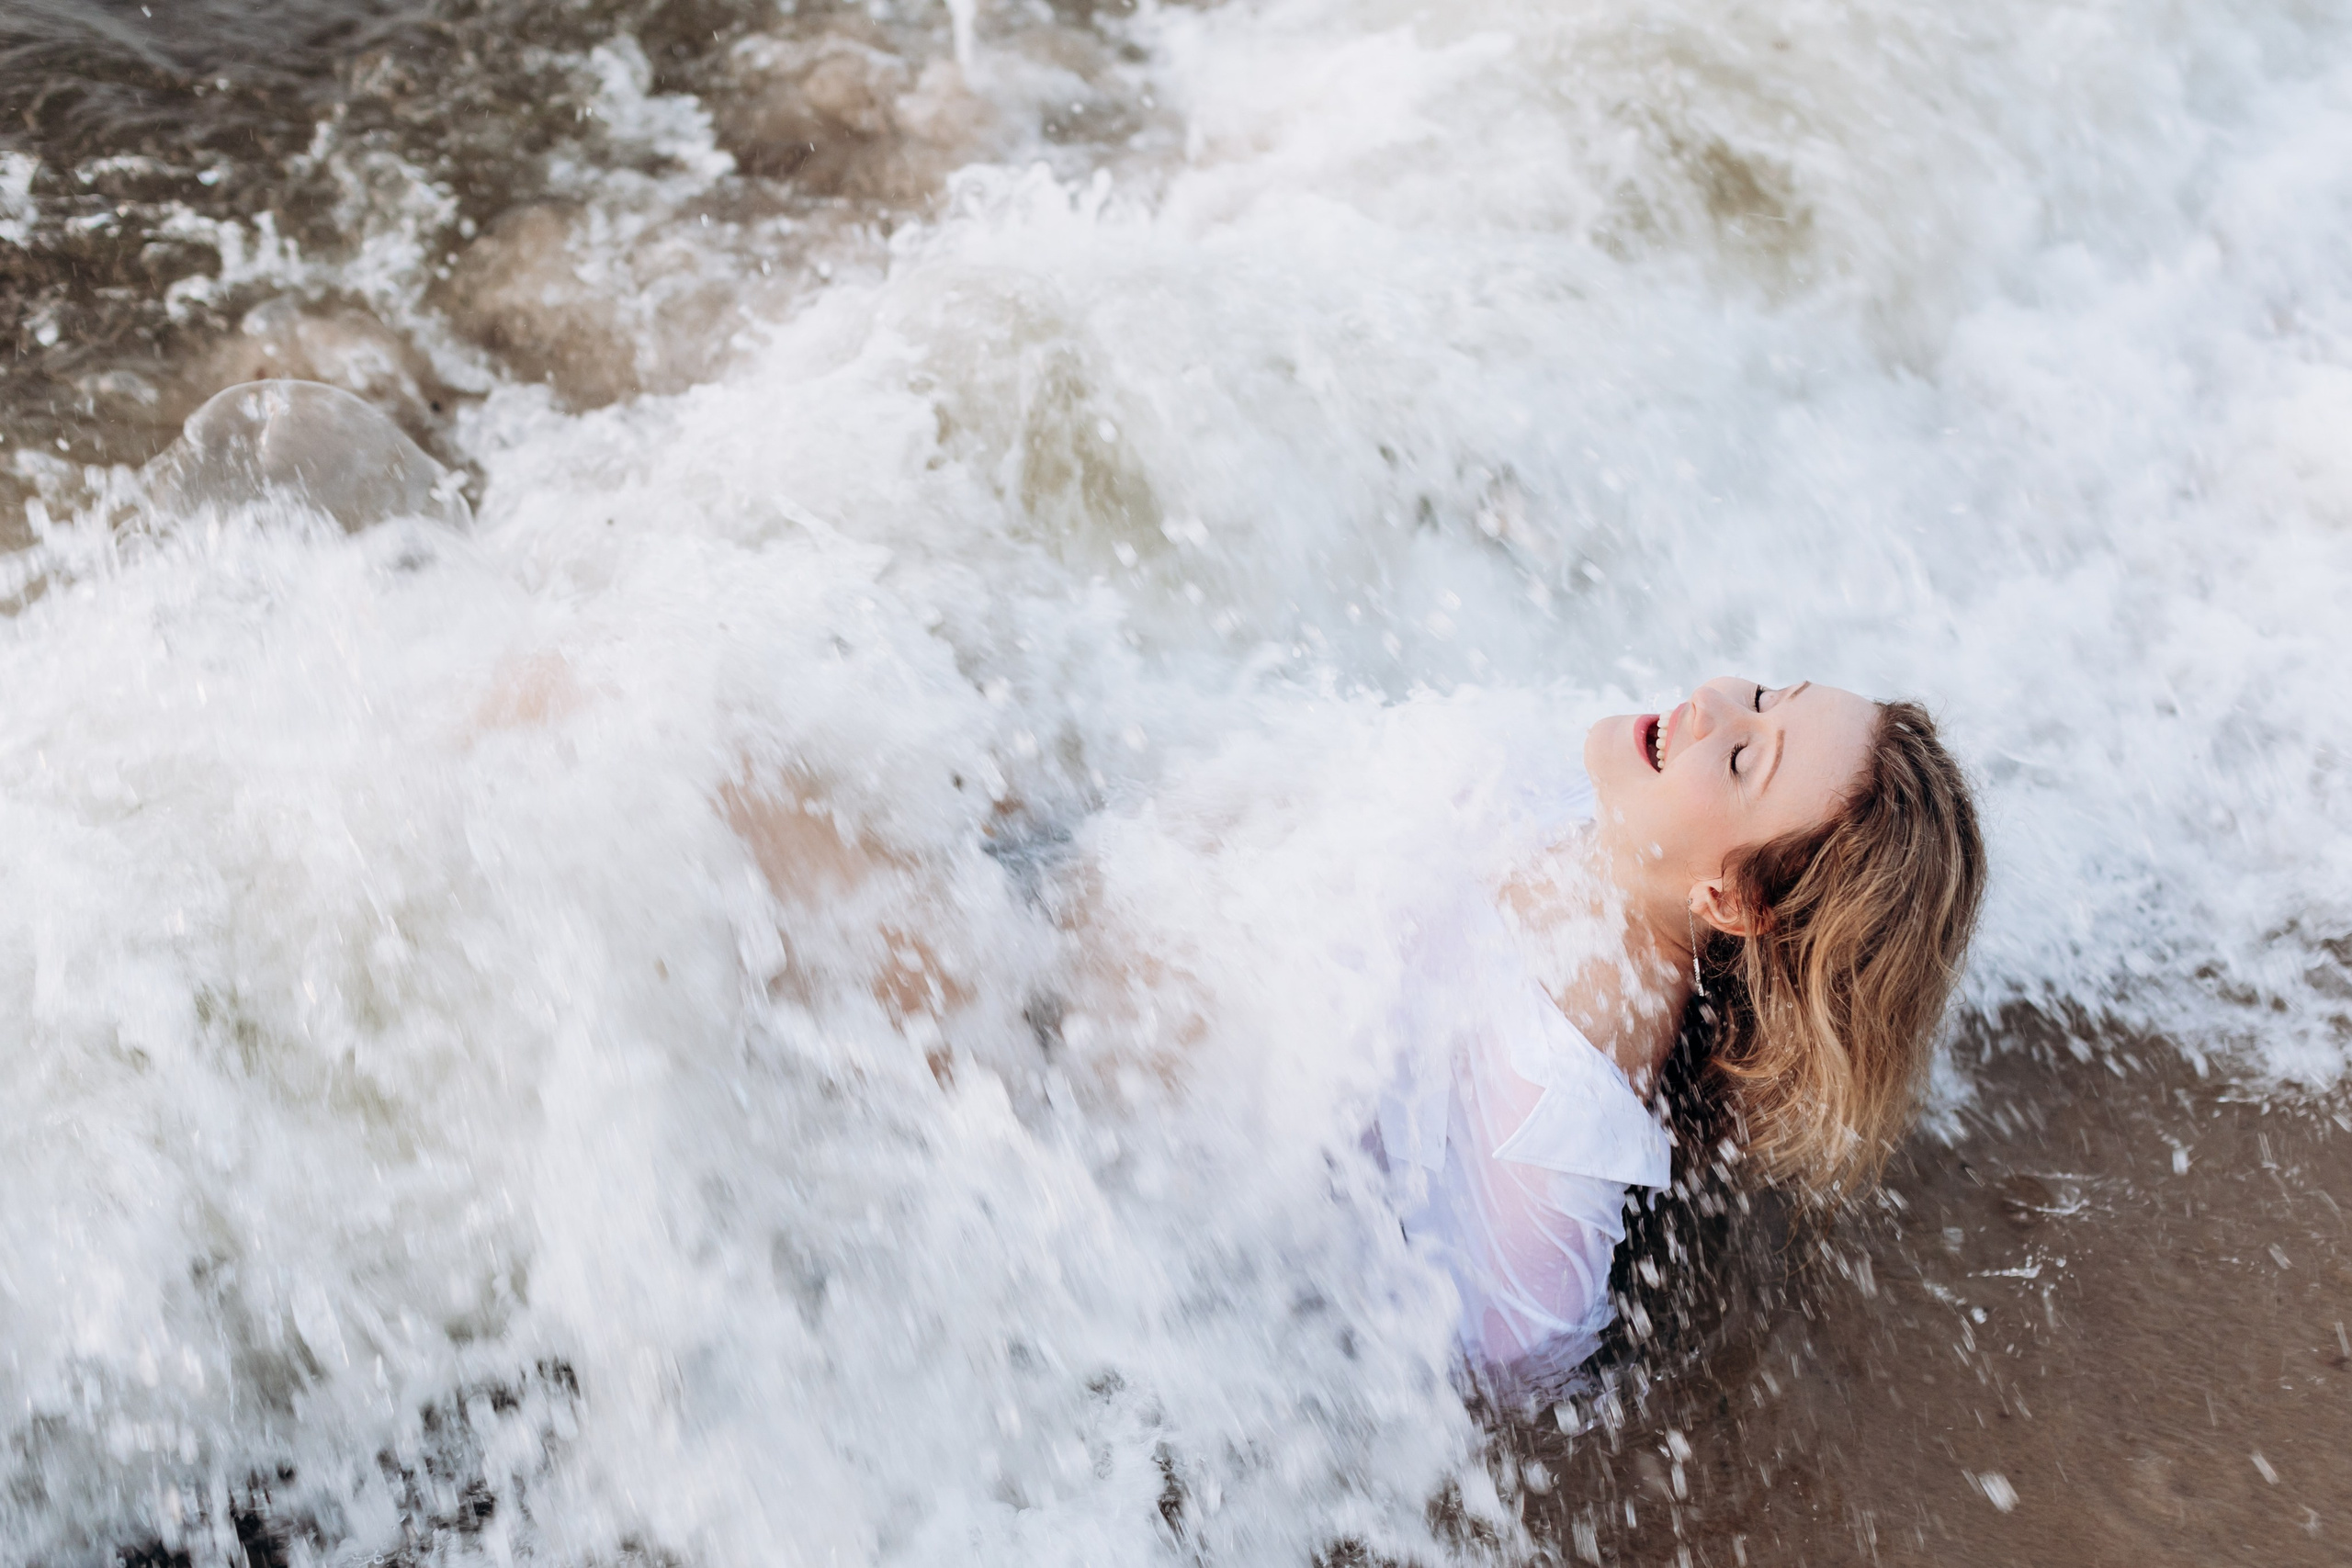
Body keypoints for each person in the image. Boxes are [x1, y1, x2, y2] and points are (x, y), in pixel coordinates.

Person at [1365, 679, 1985, 1392]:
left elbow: (1495, 1385)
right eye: (1763, 692)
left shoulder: (1551, 1127)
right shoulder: (1622, 798)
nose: (1709, 705)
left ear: (1730, 901)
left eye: (1742, 759)